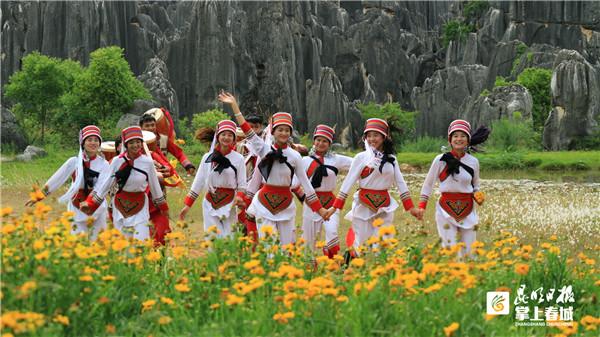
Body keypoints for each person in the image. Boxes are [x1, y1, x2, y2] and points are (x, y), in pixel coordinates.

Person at [219, 90, 330, 246]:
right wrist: (235, 106)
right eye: (280, 130)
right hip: (264, 204)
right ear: (273, 131)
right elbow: (247, 131)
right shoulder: (264, 150)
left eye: (287, 130)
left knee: (286, 249)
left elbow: (307, 186)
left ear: (290, 133)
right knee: (269, 248)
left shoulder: (295, 156)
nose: (283, 133)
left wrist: (321, 210)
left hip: (286, 205)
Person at [331, 118, 419, 258]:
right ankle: (349, 269)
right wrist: (335, 207)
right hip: (363, 204)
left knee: (384, 242)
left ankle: (381, 272)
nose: (372, 139)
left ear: (384, 137)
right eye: (369, 135)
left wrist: (411, 208)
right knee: (362, 244)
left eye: (376, 135)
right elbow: (348, 181)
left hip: (385, 205)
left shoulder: (391, 159)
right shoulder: (361, 157)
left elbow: (400, 183)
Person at [80, 126, 169, 241]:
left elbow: (155, 186)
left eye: (138, 142)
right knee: (123, 244)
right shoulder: (117, 161)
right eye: (131, 142)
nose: (135, 145)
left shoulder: (147, 162)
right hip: (120, 205)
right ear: (126, 144)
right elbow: (106, 184)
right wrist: (92, 204)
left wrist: (163, 207)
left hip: (140, 205)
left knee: (141, 241)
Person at [416, 119, 489, 258]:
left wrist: (478, 193)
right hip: (445, 209)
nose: (459, 139)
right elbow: (428, 184)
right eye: (455, 136)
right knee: (451, 252)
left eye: (463, 136)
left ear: (468, 140)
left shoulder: (473, 162)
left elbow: (475, 185)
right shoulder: (440, 160)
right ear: (450, 139)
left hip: (468, 208)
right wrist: (421, 206)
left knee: (470, 253)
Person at [26, 125, 110, 241]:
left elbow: (101, 187)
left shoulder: (104, 164)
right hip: (77, 207)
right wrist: (39, 195)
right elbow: (57, 179)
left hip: (97, 207)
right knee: (77, 241)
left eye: (96, 140)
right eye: (89, 140)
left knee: (99, 241)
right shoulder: (74, 162)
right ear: (83, 143)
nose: (93, 143)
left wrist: (90, 203)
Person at [179, 120, 247, 239]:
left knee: (230, 237)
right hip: (210, 202)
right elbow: (199, 181)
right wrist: (187, 205)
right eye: (223, 134)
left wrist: (239, 197)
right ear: (218, 136)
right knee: (212, 237)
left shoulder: (239, 158)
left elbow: (242, 184)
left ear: (234, 139)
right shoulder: (207, 157)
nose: (226, 137)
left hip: (230, 203)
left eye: (230, 135)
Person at [295, 124, 353, 258]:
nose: (321, 143)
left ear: (330, 143)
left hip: (331, 204)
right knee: (309, 239)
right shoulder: (304, 161)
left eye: (325, 141)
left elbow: (358, 163)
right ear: (314, 141)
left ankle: (331, 261)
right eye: (318, 140)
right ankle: (309, 267)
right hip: (311, 204)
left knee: (332, 232)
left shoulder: (336, 159)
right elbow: (293, 183)